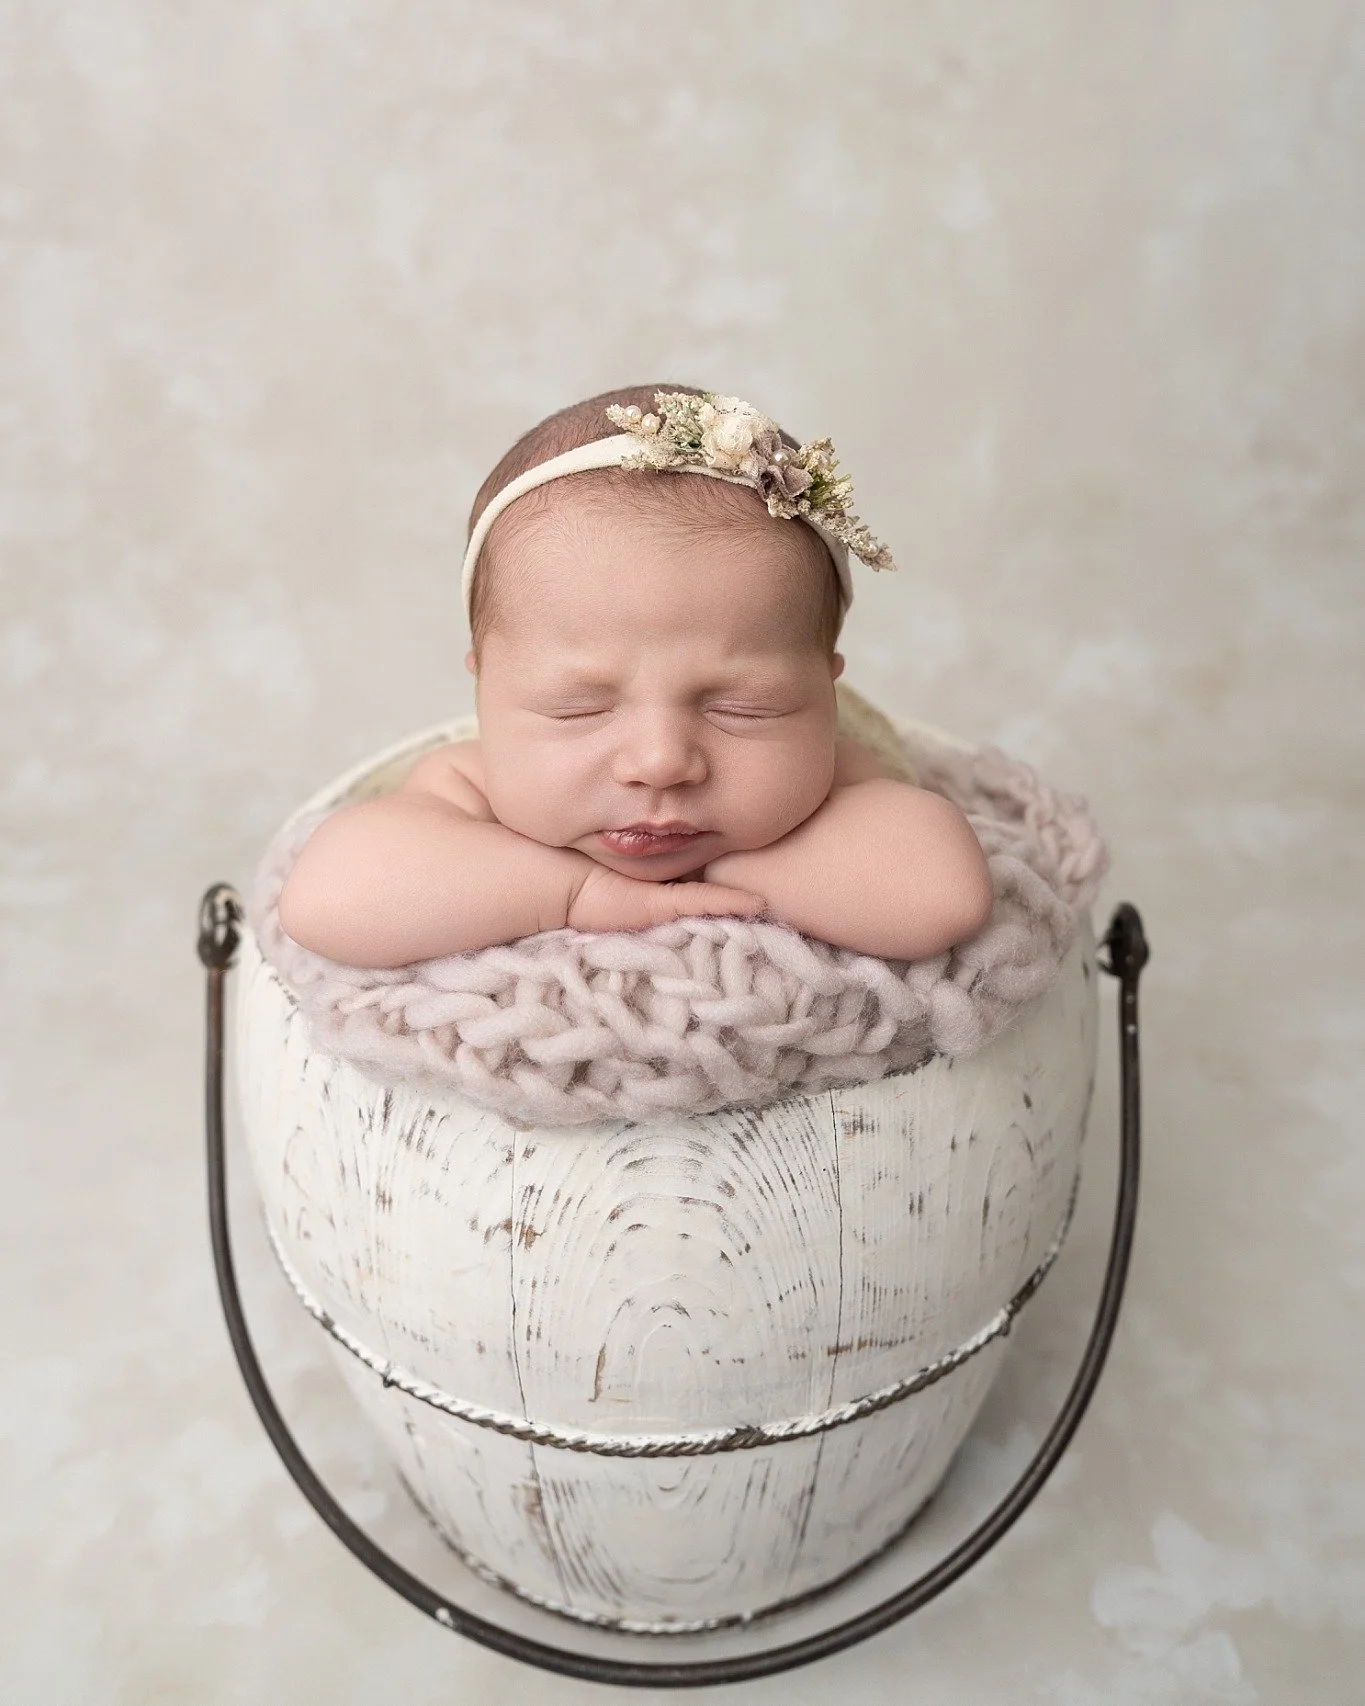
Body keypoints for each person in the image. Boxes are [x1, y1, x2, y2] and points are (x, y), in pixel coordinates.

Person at [278, 385, 994, 969]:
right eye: (577, 708)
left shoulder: (838, 775)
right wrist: (578, 891)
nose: (659, 761)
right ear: (484, 688)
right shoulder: (467, 786)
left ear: (822, 693)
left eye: (742, 707)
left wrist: (718, 873)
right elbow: (324, 902)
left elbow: (941, 897)